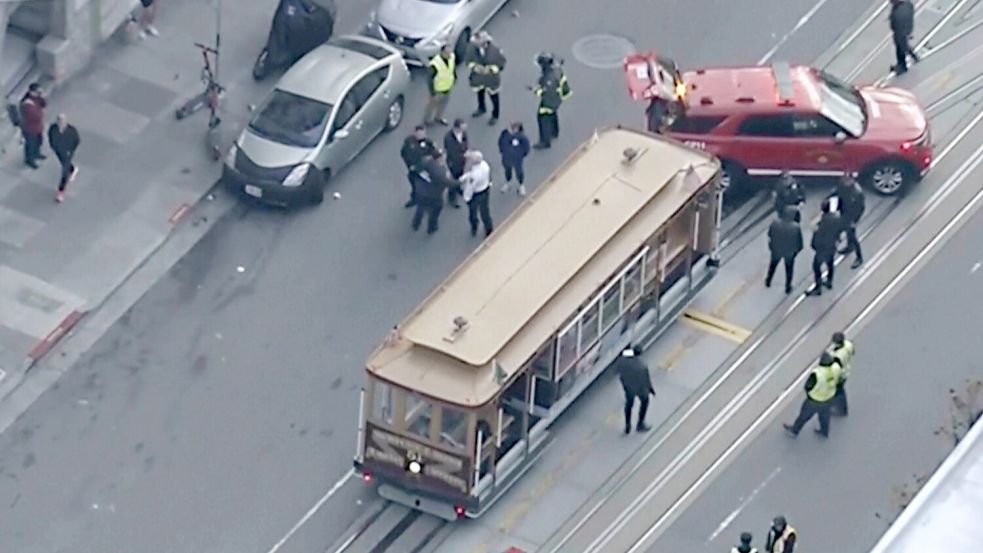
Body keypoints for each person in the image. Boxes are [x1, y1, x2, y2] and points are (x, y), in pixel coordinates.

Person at [783, 351, 842, 438]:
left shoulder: (817, 373)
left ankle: (795, 430)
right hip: (828, 398)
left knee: (803, 416)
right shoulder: (836, 368)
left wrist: (809, 393)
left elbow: (808, 386)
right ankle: (824, 431)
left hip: (815, 400)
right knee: (824, 417)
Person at [532, 52, 571, 149]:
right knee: (553, 114)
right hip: (557, 99)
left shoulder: (548, 79)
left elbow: (547, 93)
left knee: (542, 118)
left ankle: (545, 141)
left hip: (549, 102)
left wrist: (536, 90)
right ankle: (554, 132)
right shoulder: (556, 70)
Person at [467, 31, 507, 126]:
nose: (477, 44)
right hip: (478, 78)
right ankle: (481, 108)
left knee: (494, 98)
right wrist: (474, 67)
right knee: (480, 93)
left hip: (491, 79)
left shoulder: (496, 50)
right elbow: (468, 60)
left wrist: (492, 69)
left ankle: (495, 115)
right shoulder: (471, 48)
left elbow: (502, 63)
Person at [614, 346, 656, 434]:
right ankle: (640, 424)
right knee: (645, 402)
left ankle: (627, 426)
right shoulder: (642, 365)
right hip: (640, 388)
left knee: (629, 405)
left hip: (628, 387)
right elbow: (646, 379)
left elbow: (617, 371)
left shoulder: (622, 360)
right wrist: (651, 389)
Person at [805, 199, 842, 297]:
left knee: (816, 266)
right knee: (830, 263)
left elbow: (816, 233)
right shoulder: (836, 218)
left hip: (822, 249)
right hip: (831, 246)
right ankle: (829, 281)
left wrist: (814, 245)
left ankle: (818, 287)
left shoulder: (821, 222)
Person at [412, 150, 454, 235]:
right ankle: (431, 227)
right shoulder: (440, 171)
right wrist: (459, 182)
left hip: (421, 191)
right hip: (433, 195)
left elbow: (416, 170)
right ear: (439, 159)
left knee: (420, 207)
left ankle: (416, 223)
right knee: (436, 210)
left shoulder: (424, 161)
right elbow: (446, 182)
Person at [765, 207, 803, 295]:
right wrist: (795, 252)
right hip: (789, 252)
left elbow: (770, 235)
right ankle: (788, 286)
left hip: (776, 249)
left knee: (772, 265)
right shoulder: (796, 227)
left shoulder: (775, 223)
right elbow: (799, 243)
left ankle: (768, 280)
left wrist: (772, 246)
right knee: (789, 269)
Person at [832, 175, 866, 269]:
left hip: (851, 216)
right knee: (839, 231)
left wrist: (854, 221)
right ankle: (849, 246)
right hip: (844, 212)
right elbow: (837, 193)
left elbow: (860, 208)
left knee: (852, 235)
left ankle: (859, 257)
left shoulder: (857, 193)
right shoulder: (843, 186)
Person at [400, 125, 437, 208]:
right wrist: (409, 165)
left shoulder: (429, 143)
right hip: (413, 171)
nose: (421, 136)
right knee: (415, 187)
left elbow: (435, 154)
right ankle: (414, 199)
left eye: (423, 134)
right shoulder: (409, 141)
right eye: (419, 134)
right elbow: (403, 153)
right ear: (415, 133)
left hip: (425, 171)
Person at [48, 114, 81, 203]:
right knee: (64, 164)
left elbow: (77, 140)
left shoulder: (71, 130)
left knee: (64, 172)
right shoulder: (53, 128)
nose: (61, 123)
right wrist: (54, 147)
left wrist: (71, 150)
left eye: (62, 121)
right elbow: (51, 138)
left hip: (67, 153)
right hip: (59, 152)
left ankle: (61, 191)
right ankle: (73, 169)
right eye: (59, 121)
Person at [461, 150, 493, 237]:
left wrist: (467, 198)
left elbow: (470, 187)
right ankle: (489, 228)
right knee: (485, 211)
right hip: (485, 189)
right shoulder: (484, 165)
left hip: (477, 194)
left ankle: (474, 226)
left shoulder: (474, 175)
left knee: (473, 212)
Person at [424, 45, 456, 127]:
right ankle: (428, 120)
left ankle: (439, 118)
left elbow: (452, 69)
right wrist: (432, 92)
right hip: (437, 90)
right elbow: (429, 79)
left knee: (443, 105)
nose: (449, 55)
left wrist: (454, 77)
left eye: (450, 52)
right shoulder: (435, 64)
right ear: (442, 52)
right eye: (447, 53)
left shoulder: (452, 57)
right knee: (432, 106)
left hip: (448, 88)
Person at [19, 82, 47, 169]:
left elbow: (44, 104)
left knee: (39, 141)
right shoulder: (27, 103)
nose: (38, 93)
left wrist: (42, 96)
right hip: (30, 128)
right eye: (37, 92)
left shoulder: (37, 98)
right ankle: (29, 160)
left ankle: (37, 154)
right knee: (30, 145)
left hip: (37, 127)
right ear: (31, 92)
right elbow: (35, 116)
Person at [498, 121, 530, 196]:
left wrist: (520, 155)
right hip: (506, 157)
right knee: (507, 170)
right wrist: (503, 151)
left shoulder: (521, 137)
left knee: (519, 172)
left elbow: (526, 148)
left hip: (517, 159)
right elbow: (500, 142)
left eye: (513, 128)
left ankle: (521, 185)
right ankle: (508, 183)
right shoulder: (505, 134)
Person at [828, 331, 855, 416]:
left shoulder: (838, 356)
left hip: (841, 375)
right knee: (840, 391)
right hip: (846, 370)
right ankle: (841, 408)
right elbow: (853, 351)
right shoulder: (848, 344)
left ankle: (841, 409)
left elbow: (836, 369)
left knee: (838, 391)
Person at [443, 119, 469, 208]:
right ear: (456, 128)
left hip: (461, 161)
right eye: (462, 128)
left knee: (460, 176)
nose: (464, 130)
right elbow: (452, 152)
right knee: (453, 180)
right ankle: (452, 197)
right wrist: (463, 154)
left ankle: (458, 188)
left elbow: (465, 143)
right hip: (453, 163)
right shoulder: (449, 138)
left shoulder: (463, 134)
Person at [890, 0, 918, 74]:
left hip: (900, 32)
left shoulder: (897, 12)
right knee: (902, 46)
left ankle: (902, 66)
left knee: (901, 48)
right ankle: (907, 61)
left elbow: (894, 24)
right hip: (907, 29)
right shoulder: (908, 4)